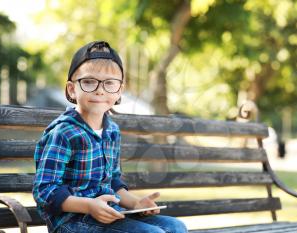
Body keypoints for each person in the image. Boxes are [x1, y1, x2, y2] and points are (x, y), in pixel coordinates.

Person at [32, 41, 188, 233]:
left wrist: (137, 203)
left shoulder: (111, 131)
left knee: (175, 227)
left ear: (119, 90)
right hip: (70, 221)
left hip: (108, 214)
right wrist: (89, 206)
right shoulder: (64, 132)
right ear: (72, 89)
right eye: (89, 82)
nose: (100, 90)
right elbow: (45, 191)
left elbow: (112, 182)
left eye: (109, 83)